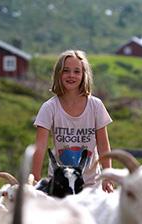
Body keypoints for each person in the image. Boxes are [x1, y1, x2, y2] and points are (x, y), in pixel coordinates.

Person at [32, 49, 114, 193]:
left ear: (84, 75)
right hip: (59, 185)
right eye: (66, 71)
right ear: (59, 74)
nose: (71, 75)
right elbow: (40, 147)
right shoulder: (49, 107)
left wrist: (108, 176)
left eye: (77, 71)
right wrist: (35, 179)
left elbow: (103, 145)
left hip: (90, 184)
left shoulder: (96, 105)